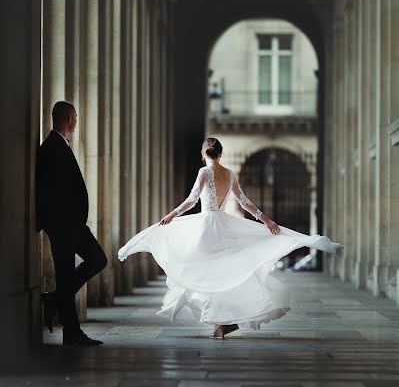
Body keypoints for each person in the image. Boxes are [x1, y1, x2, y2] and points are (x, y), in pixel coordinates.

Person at [118, 137, 344, 339]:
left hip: (206, 226)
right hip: (224, 225)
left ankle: (220, 322)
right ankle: (221, 323)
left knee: (203, 270)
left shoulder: (204, 172)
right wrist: (266, 220)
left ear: (203, 154)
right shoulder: (229, 173)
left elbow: (192, 200)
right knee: (222, 272)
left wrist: (171, 214)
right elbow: (244, 201)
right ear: (221, 154)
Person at [37, 101, 108, 346]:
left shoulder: (56, 146)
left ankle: (56, 301)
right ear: (68, 119)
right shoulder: (52, 147)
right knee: (91, 262)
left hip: (68, 225)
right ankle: (71, 330)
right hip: (65, 226)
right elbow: (52, 192)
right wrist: (62, 223)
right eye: (75, 117)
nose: (77, 122)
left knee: (87, 266)